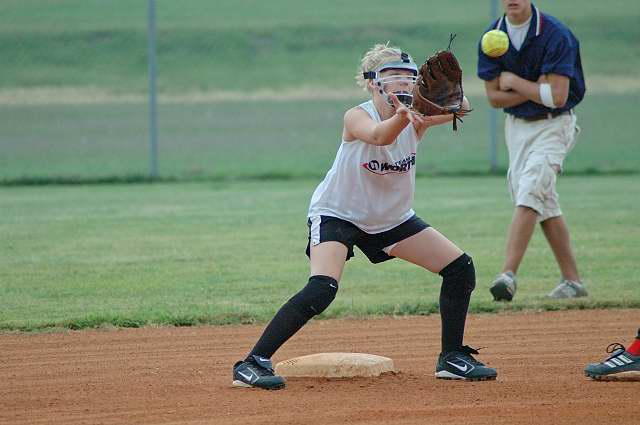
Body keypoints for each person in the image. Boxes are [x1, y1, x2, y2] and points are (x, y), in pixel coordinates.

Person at [231, 43, 497, 390]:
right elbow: (379, 136)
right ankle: (252, 363)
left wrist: (437, 99)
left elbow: (463, 107)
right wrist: (406, 114)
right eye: (392, 75)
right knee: (323, 288)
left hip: (391, 219)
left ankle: (452, 358)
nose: (403, 82)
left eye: (409, 76)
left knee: (460, 268)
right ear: (373, 83)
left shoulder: (417, 118)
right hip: (338, 213)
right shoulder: (357, 117)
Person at [477, 0, 587, 301]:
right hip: (517, 128)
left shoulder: (555, 34)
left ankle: (507, 276)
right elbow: (494, 99)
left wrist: (513, 82)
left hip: (555, 124)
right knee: (542, 200)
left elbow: (558, 97)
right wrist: (537, 89)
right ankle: (573, 282)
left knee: (532, 189)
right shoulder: (492, 37)